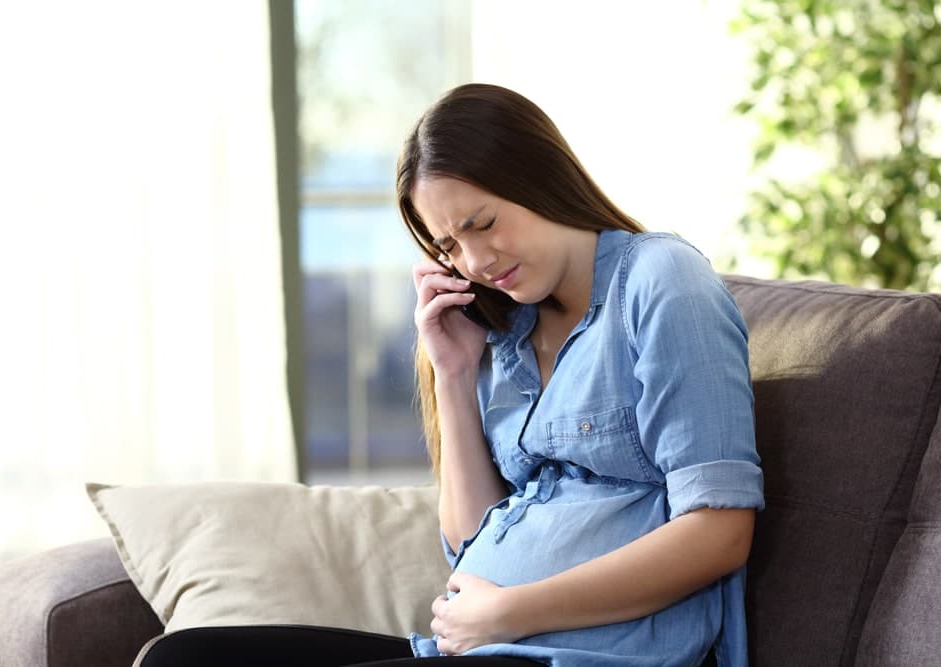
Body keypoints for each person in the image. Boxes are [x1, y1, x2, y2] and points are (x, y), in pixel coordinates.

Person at [140, 83, 763, 667]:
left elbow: (719, 532)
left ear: (541, 176)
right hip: (474, 647)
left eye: (482, 224)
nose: (476, 262)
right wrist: (453, 373)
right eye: (448, 247)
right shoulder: (508, 332)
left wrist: (509, 612)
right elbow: (471, 541)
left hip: (574, 654)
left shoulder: (661, 281)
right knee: (180, 658)